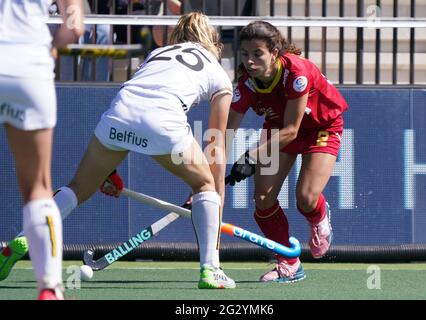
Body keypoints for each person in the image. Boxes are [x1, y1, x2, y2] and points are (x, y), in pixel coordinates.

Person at [0, 12, 236, 290]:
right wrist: (214, 191)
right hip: (164, 122)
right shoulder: (219, 73)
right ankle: (211, 269)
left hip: (117, 116)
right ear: (213, 40)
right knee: (204, 183)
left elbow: (138, 107)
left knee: (77, 188)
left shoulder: (158, 54)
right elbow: (216, 143)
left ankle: (26, 236)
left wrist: (107, 172)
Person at [226, 21, 348, 283]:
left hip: (320, 127)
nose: (250, 61)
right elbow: (225, 131)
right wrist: (204, 178)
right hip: (277, 128)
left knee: (305, 198)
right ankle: (289, 262)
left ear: (274, 52)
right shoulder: (247, 83)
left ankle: (319, 216)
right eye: (245, 55)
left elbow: (292, 130)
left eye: (257, 54)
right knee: (262, 198)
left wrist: (250, 157)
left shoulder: (296, 72)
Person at [0, 0, 84, 299]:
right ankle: (49, 288)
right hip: (27, 64)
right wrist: (49, 47)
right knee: (38, 189)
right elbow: (74, 27)